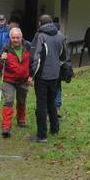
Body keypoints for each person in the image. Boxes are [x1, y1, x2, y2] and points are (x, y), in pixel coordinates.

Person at [30, 15, 70, 143]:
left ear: (40, 23)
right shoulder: (60, 35)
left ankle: (41, 135)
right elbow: (63, 57)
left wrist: (32, 74)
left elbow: (36, 57)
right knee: (51, 102)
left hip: (42, 76)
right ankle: (55, 129)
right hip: (55, 75)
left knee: (41, 104)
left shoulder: (40, 36)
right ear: (52, 23)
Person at [0, 28, 32, 138]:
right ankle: (6, 127)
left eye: (18, 37)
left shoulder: (28, 46)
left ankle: (21, 120)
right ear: (10, 38)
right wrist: (2, 60)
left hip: (23, 79)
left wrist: (31, 75)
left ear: (21, 37)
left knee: (22, 100)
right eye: (13, 37)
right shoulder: (5, 48)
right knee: (9, 100)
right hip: (9, 80)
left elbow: (33, 62)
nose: (16, 40)